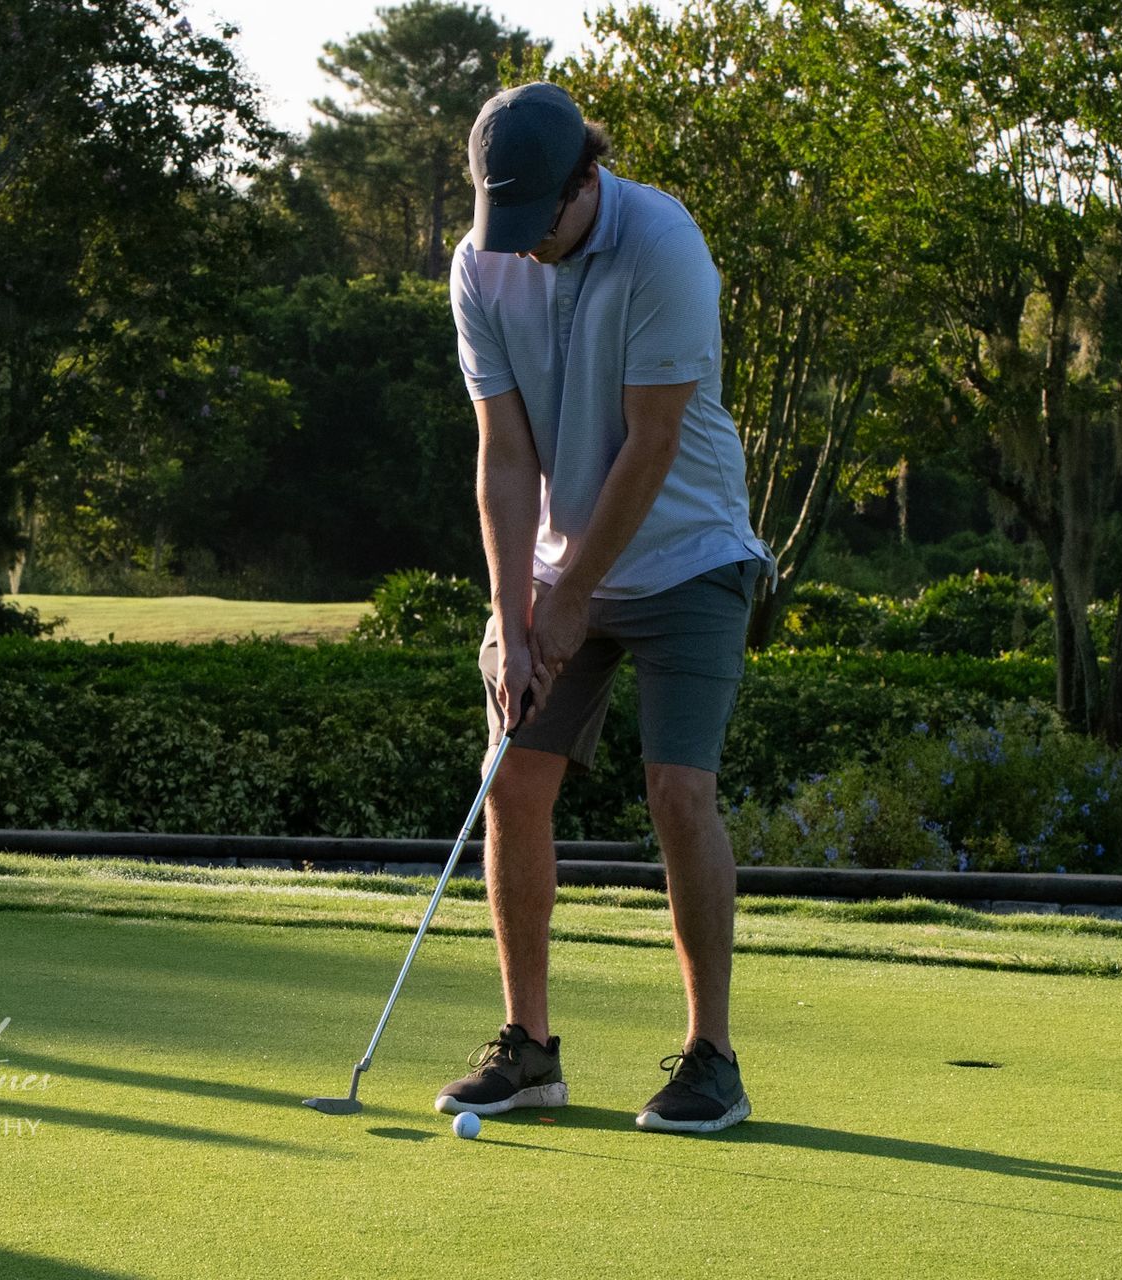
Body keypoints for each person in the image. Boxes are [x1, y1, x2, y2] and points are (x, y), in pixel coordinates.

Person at [433, 81, 777, 1135]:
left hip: (690, 554)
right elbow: (505, 455)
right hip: (556, 562)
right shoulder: (482, 261)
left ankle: (712, 1059)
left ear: (588, 176)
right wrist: (514, 617)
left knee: (678, 791)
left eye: (540, 220)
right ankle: (528, 1047)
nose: (525, 245)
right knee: (512, 779)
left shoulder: (665, 244)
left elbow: (651, 442)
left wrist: (575, 596)